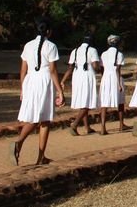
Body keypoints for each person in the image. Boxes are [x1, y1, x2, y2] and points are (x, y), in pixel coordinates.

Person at [12, 19, 65, 166]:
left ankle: (39, 155)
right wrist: (60, 91)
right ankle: (21, 144)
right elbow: (52, 70)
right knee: (43, 119)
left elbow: (23, 70)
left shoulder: (28, 45)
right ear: (48, 32)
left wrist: (23, 88)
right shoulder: (51, 46)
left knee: (37, 117)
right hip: (44, 81)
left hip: (30, 81)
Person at [61, 33, 101, 135]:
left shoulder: (75, 51)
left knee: (83, 101)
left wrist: (63, 81)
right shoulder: (93, 50)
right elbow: (95, 66)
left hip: (76, 77)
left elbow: (70, 68)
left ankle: (87, 127)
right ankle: (75, 124)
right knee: (87, 102)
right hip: (87, 77)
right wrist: (101, 69)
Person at [99, 34, 128, 134]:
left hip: (106, 78)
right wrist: (119, 84)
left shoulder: (103, 54)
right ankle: (121, 124)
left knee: (104, 103)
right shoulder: (119, 54)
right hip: (116, 78)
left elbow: (102, 69)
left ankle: (103, 127)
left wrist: (104, 77)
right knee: (120, 102)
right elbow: (118, 70)